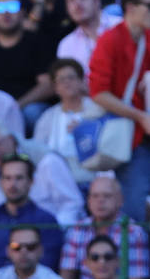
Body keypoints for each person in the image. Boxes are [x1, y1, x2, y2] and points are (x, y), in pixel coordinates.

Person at [88, 0, 150, 223]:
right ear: (130, 8)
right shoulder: (110, 40)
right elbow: (98, 92)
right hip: (133, 144)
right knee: (134, 219)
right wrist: (141, 117)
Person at [0, 151, 65, 278]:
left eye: (19, 178)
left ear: (31, 182)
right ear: (1, 182)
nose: (12, 185)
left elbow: (49, 267)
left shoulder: (46, 220)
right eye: (7, 178)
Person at [0, 126, 83, 233]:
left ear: (11, 139)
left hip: (58, 229)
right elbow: (1, 209)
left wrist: (53, 231)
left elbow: (72, 203)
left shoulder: (47, 159)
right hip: (16, 238)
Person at [0, 0, 54, 129]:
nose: (6, 13)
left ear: (22, 11)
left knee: (32, 112)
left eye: (12, 6)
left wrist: (16, 106)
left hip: (25, 108)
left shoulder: (38, 42)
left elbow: (48, 85)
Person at [57, 174, 148, 279]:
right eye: (95, 196)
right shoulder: (77, 229)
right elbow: (67, 277)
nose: (100, 201)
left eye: (107, 196)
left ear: (120, 200)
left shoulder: (134, 232)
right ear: (88, 201)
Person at [32, 57, 103, 190]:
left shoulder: (98, 110)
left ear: (82, 82)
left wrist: (84, 131)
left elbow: (108, 146)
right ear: (55, 88)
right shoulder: (47, 117)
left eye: (71, 78)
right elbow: (38, 151)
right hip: (58, 183)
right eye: (61, 80)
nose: (66, 83)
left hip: (93, 180)